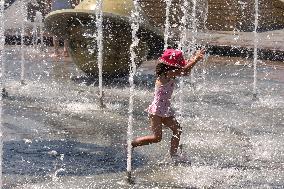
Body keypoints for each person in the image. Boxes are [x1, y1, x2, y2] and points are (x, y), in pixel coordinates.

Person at [131, 48, 205, 163]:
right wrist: (196, 59)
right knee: (157, 138)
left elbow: (184, 69)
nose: (178, 67)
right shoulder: (166, 74)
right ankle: (130, 144)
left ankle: (173, 155)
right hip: (156, 112)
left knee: (178, 130)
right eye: (177, 65)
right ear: (170, 67)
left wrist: (194, 58)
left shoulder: (169, 73)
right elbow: (185, 71)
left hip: (165, 109)